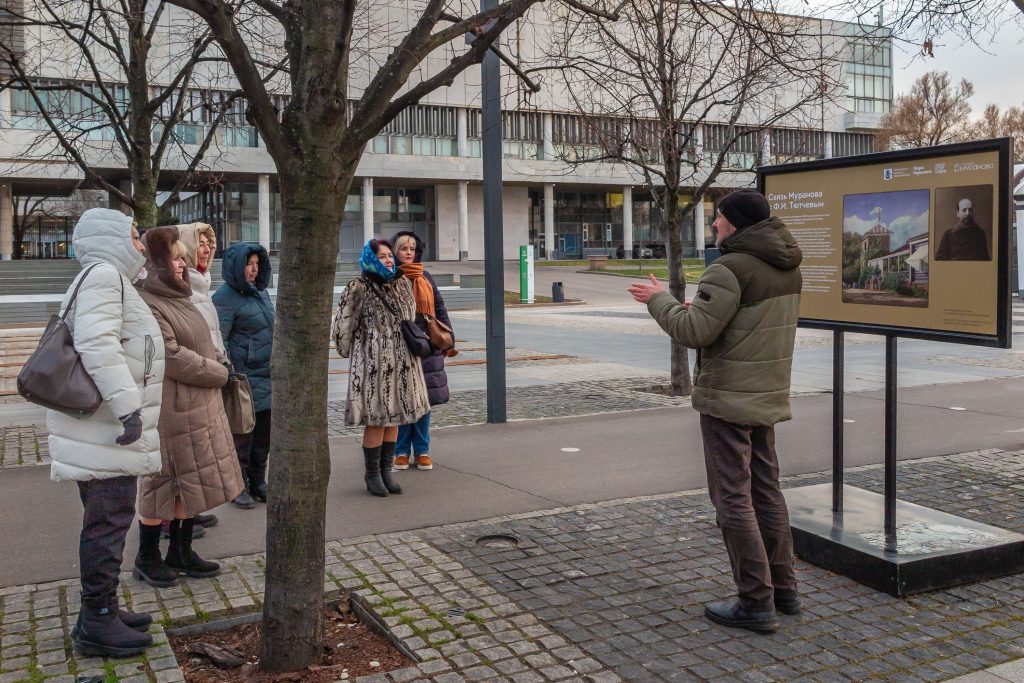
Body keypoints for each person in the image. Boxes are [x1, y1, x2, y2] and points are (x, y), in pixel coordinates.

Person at [628, 188, 802, 634]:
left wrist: (658, 299)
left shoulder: (729, 267)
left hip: (728, 398)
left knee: (733, 498)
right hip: (766, 393)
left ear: (735, 223)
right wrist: (701, 308)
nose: (713, 225)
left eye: (718, 218)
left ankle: (755, 602)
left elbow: (693, 332)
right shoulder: (786, 266)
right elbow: (744, 323)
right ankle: (785, 590)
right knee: (767, 491)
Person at [48, 208, 164, 658]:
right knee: (109, 521)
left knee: (106, 519)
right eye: (134, 235)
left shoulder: (108, 278)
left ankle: (102, 610)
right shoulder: (104, 277)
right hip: (107, 429)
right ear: (113, 237)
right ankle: (97, 621)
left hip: (99, 428)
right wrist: (129, 407)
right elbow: (97, 343)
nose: (140, 244)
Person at [133, 227, 244, 586]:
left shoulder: (178, 297)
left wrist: (217, 365)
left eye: (183, 258)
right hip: (169, 407)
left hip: (194, 405)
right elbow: (171, 355)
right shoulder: (148, 301)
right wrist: (217, 372)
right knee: (160, 483)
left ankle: (179, 552)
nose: (182, 265)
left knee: (187, 483)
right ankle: (146, 557)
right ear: (158, 264)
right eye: (175, 258)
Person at [331, 238, 430, 496]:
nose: (388, 259)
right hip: (373, 367)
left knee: (395, 418)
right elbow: (342, 326)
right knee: (376, 420)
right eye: (383, 256)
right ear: (371, 258)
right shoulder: (358, 287)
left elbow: (410, 319)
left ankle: (386, 471)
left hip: (403, 364)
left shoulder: (401, 283)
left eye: (389, 255)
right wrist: (349, 351)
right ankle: (372, 474)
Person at [214, 242, 275, 507]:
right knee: (242, 436)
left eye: (257, 264)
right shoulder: (224, 298)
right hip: (244, 378)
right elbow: (219, 340)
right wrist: (229, 372)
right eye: (248, 264)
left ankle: (258, 481)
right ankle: (238, 486)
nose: (253, 269)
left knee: (264, 435)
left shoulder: (261, 294)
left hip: (267, 375)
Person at [390, 230, 454, 471]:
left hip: (426, 346)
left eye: (412, 248)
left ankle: (423, 450)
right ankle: (401, 450)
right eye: (404, 248)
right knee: (404, 400)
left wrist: (449, 337)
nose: (408, 252)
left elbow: (439, 307)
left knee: (424, 400)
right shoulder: (389, 277)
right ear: (395, 251)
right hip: (401, 347)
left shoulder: (424, 276)